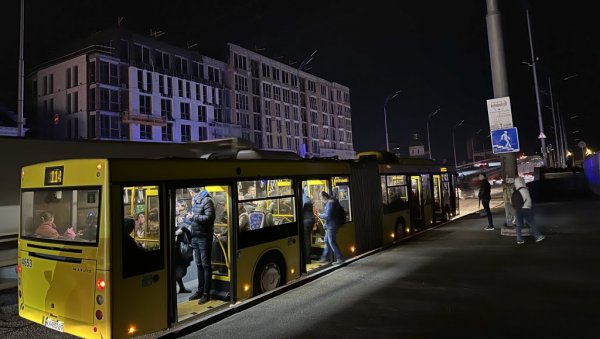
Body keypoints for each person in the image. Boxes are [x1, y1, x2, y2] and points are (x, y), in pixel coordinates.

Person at [187, 187, 216, 304]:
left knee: (205, 264)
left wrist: (193, 217)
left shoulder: (207, 200)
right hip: (195, 236)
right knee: (198, 264)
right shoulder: (194, 201)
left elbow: (210, 218)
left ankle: (206, 293)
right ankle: (200, 290)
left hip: (204, 237)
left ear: (192, 192)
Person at [513, 177, 545, 245]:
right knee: (532, 223)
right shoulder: (525, 189)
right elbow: (528, 200)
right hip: (526, 209)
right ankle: (538, 236)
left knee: (519, 225)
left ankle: (519, 239)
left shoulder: (515, 191)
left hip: (518, 210)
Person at [316, 191, 345, 265]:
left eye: (321, 197)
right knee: (326, 241)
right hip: (331, 225)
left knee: (331, 242)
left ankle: (340, 258)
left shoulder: (329, 203)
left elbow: (328, 216)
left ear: (324, 197)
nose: (321, 199)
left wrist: (320, 215)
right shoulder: (331, 202)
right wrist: (325, 224)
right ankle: (324, 257)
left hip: (332, 226)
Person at [174, 200, 193, 293]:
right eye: (177, 206)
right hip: (175, 249)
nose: (179, 208)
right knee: (177, 269)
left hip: (178, 248)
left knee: (178, 268)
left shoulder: (179, 222)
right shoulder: (175, 221)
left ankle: (181, 287)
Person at [302, 190, 316, 264]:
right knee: (307, 239)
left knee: (306, 240)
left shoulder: (302, 198)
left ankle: (307, 259)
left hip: (306, 221)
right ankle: (307, 257)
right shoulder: (307, 197)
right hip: (311, 219)